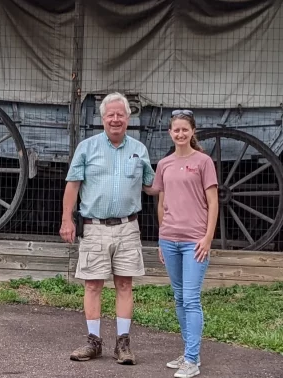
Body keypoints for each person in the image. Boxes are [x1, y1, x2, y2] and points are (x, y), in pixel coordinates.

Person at [60, 92, 155, 365]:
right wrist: (67, 220)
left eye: (120, 114)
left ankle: (123, 344)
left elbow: (151, 185)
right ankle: (93, 342)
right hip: (95, 228)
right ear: (102, 119)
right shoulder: (87, 148)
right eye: (110, 115)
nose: (115, 119)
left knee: (125, 283)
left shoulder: (139, 150)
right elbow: (73, 186)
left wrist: (181, 176)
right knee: (93, 284)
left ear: (128, 118)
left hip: (128, 227)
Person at [154, 109, 219, 378]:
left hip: (195, 242)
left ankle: (192, 360)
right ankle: (189, 351)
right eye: (175, 130)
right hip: (170, 240)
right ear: (170, 133)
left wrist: (207, 238)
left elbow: (213, 202)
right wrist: (160, 237)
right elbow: (161, 202)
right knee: (179, 298)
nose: (180, 134)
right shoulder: (164, 164)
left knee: (191, 299)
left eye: (185, 129)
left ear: (193, 132)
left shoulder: (203, 162)